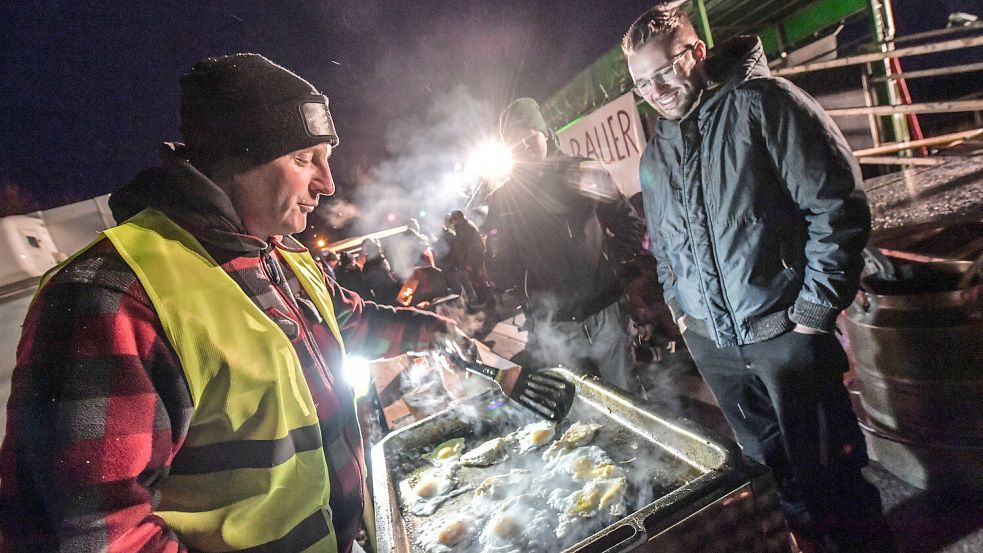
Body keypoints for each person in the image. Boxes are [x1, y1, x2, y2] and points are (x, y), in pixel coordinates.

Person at [0, 53, 458, 553]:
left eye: (326, 159)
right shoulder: (111, 296)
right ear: (237, 163)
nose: (327, 183)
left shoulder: (277, 252)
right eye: (304, 160)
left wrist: (439, 331)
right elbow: (92, 535)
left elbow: (346, 322)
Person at [623, 6, 892, 552]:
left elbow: (837, 210)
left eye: (664, 70)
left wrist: (813, 313)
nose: (655, 89)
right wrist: (682, 310)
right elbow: (665, 248)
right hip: (716, 348)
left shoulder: (766, 104)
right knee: (776, 479)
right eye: (641, 82)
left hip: (787, 339)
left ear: (695, 53)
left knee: (831, 479)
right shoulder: (657, 153)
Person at [485, 98, 645, 393]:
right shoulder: (503, 200)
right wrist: (496, 258)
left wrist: (613, 267)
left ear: (544, 133)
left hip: (605, 313)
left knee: (627, 398)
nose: (524, 147)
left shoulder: (581, 170)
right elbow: (501, 270)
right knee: (582, 406)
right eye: (514, 144)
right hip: (555, 325)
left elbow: (628, 222)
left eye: (529, 137)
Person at [445, 210, 489, 307]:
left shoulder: (466, 228)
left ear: (459, 218)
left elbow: (472, 246)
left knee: (479, 281)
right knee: (475, 281)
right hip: (468, 261)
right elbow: (458, 247)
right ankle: (484, 301)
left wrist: (469, 263)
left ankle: (487, 302)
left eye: (454, 219)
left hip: (474, 260)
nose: (452, 222)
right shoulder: (461, 228)